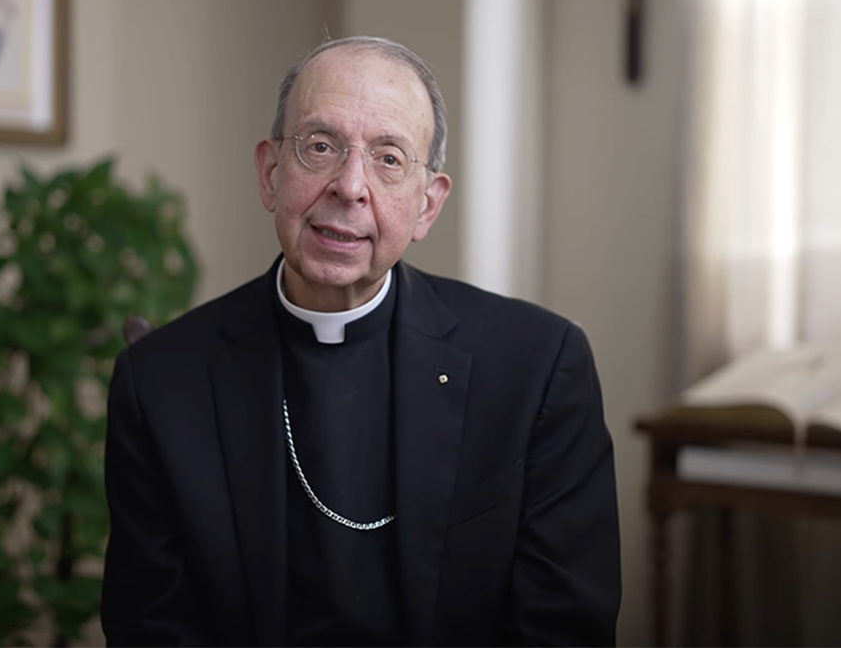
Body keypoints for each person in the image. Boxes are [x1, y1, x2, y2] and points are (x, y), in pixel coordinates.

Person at [102, 36, 621, 647]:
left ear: (427, 206)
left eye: (389, 158)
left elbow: (564, 629)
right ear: (271, 174)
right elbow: (153, 631)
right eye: (320, 146)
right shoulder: (161, 383)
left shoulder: (537, 369)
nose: (350, 186)